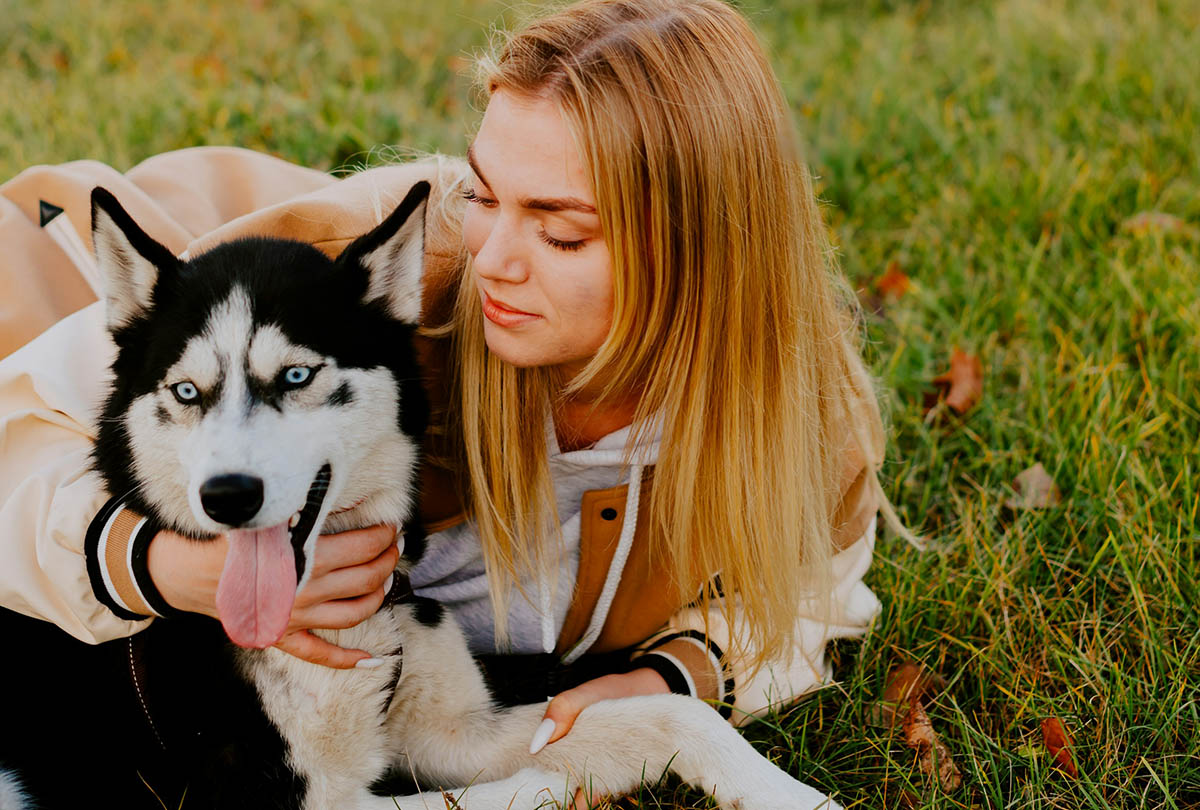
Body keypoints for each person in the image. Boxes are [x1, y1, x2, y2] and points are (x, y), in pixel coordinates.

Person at [0, 0, 890, 792]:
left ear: (701, 253)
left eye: (562, 231)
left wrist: (668, 681)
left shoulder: (799, 415)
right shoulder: (371, 268)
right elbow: (19, 434)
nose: (494, 257)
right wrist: (170, 567)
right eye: (486, 193)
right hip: (43, 286)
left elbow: (811, 590)